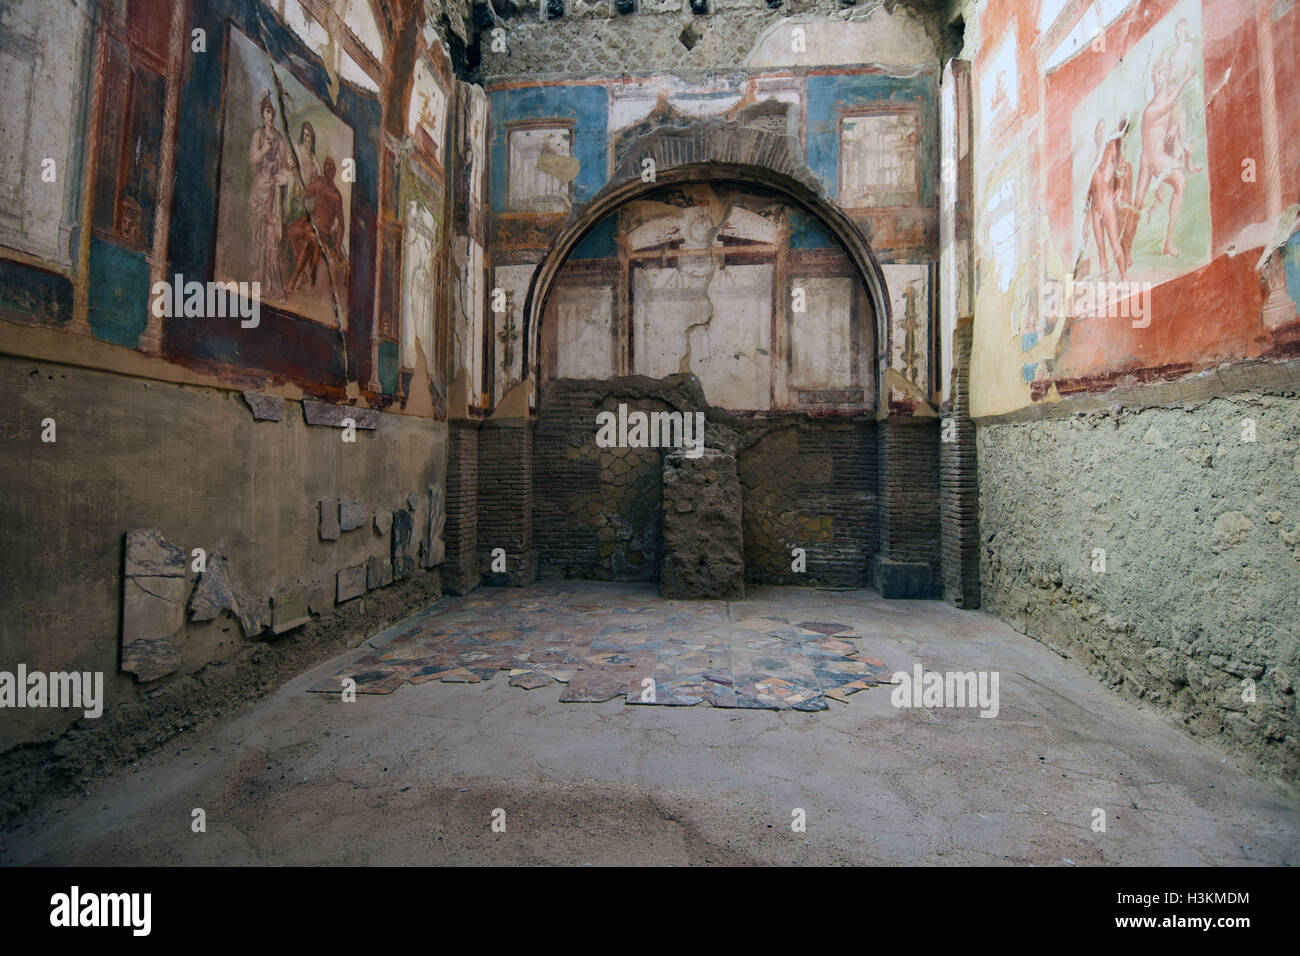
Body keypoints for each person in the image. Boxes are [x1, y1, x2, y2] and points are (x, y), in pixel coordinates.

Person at [248, 90, 291, 299]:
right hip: (259, 190)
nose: (270, 115)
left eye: (272, 112)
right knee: (259, 238)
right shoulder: (259, 134)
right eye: (267, 112)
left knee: (272, 239)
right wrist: (264, 150)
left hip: (273, 192)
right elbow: (252, 160)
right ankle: (259, 286)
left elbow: (285, 167)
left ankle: (274, 287)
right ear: (262, 114)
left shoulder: (280, 139)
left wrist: (286, 177)